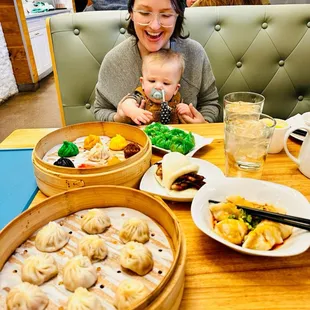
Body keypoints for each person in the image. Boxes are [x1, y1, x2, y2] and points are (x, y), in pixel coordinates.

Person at [94, 0, 220, 124]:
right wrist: (118, 118)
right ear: (131, 13)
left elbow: (210, 103)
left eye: (166, 15)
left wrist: (204, 123)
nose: (155, 26)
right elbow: (100, 110)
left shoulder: (194, 53)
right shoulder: (114, 60)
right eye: (144, 13)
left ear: (178, 16)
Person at [121, 49, 193, 125]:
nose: (158, 87)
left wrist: (187, 112)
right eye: (152, 81)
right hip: (146, 134)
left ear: (175, 89)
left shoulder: (177, 101)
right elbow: (126, 103)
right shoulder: (141, 97)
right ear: (143, 83)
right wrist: (133, 111)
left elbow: (188, 122)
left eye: (166, 83)